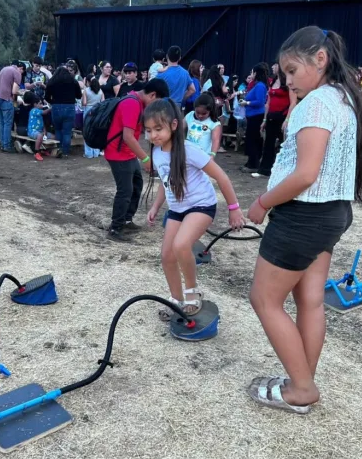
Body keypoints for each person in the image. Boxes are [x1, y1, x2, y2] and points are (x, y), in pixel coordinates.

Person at [246, 27, 362, 414]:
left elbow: (304, 174)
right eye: (284, 73)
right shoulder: (343, 97)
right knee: (310, 301)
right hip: (332, 213)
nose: (288, 81)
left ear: (320, 59)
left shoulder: (317, 104)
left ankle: (301, 389)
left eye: (292, 70)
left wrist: (262, 203)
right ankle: (303, 379)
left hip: (303, 215)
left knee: (264, 299)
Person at [145, 99, 245, 318]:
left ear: (174, 125)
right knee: (167, 255)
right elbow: (164, 183)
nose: (153, 135)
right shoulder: (157, 153)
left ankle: (192, 293)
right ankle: (176, 299)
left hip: (201, 206)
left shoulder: (190, 150)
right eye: (149, 130)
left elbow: (221, 176)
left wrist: (234, 208)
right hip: (177, 209)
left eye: (158, 129)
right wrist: (155, 206)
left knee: (181, 245)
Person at [105, 78, 169, 242]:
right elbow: (128, 137)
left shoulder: (137, 102)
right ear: (152, 95)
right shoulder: (132, 104)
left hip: (127, 153)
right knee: (125, 190)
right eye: (157, 102)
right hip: (118, 153)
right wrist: (146, 158)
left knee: (136, 184)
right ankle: (115, 228)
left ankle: (127, 220)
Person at [254, 65, 290, 177]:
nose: (273, 67)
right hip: (271, 116)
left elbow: (293, 102)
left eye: (275, 65)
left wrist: (287, 119)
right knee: (268, 143)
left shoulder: (288, 82)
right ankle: (264, 169)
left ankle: (285, 171)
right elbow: (267, 103)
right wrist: (264, 119)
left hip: (283, 116)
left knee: (284, 144)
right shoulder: (272, 82)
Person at [45, 66, 82, 159]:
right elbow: (79, 95)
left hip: (56, 107)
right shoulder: (73, 81)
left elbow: (46, 97)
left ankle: (58, 149)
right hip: (70, 107)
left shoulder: (52, 81)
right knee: (67, 132)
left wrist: (53, 102)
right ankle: (65, 152)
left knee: (57, 130)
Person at [239, 64, 269, 172]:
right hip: (252, 116)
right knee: (251, 139)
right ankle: (251, 162)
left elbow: (260, 102)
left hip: (256, 116)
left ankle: (253, 164)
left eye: (252, 72)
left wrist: (247, 102)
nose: (251, 74)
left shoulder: (260, 86)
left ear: (256, 73)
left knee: (253, 140)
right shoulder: (257, 85)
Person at [0, 62, 21, 152]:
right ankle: (7, 146)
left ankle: (3, 144)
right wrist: (16, 101)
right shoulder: (17, 72)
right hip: (6, 99)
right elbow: (14, 91)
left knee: (2, 122)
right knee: (8, 123)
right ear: (21, 68)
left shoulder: (4, 69)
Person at [82, 75, 105, 159]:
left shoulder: (86, 90)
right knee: (96, 132)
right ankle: (96, 152)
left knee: (87, 132)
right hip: (97, 111)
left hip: (88, 111)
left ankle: (88, 153)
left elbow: (84, 103)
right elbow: (103, 102)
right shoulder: (100, 91)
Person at [26, 93, 52, 162]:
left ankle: (44, 150)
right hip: (32, 131)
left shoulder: (39, 114)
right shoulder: (34, 110)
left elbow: (43, 125)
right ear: (35, 104)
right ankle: (36, 152)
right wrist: (51, 108)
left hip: (39, 132)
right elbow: (45, 112)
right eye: (40, 104)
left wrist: (45, 132)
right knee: (40, 136)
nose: (42, 105)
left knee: (53, 136)